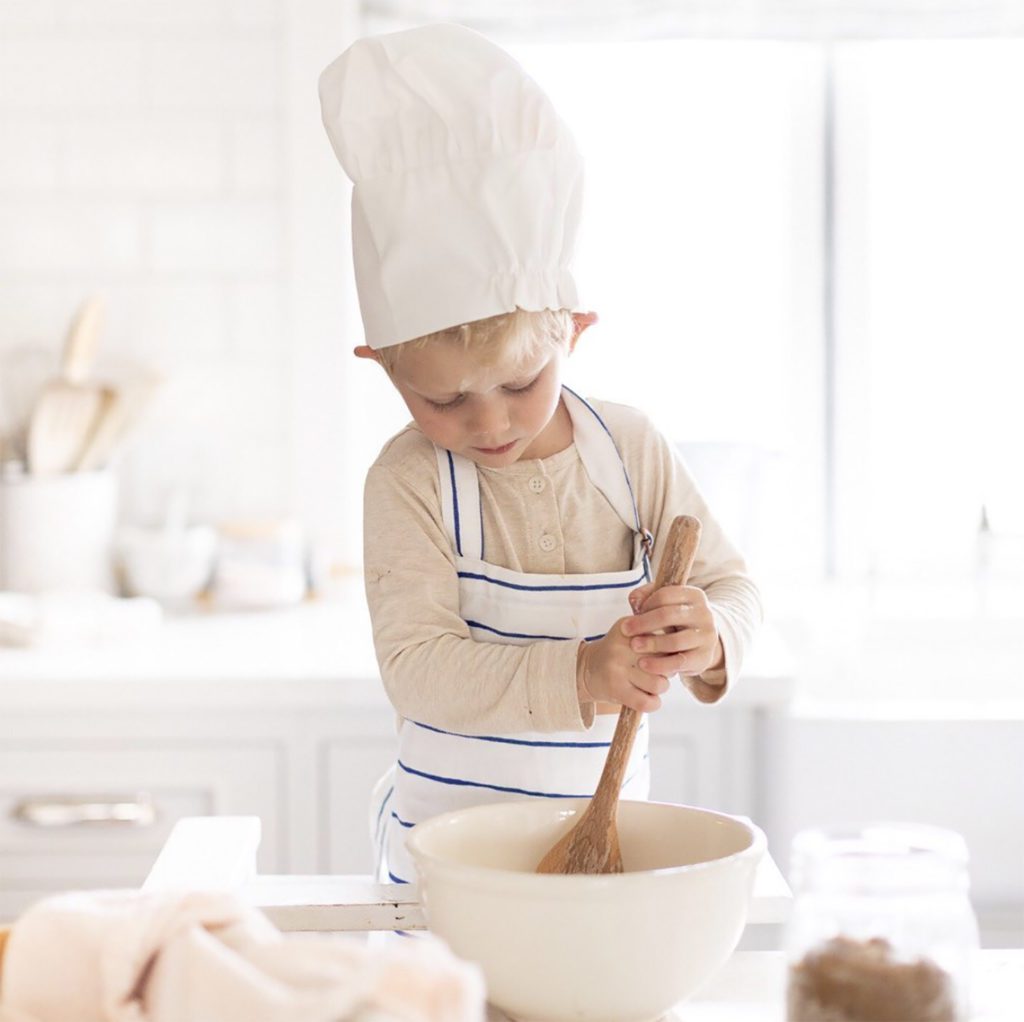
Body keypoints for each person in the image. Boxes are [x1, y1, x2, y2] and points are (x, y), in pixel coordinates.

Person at [319, 23, 762, 885]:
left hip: (602, 858)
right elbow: (417, 672)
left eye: (521, 384)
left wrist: (708, 638)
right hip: (448, 869)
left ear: (575, 332)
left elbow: (731, 587)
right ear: (381, 367)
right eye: (441, 400)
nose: (489, 423)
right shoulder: (409, 480)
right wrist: (584, 672)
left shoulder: (629, 448)